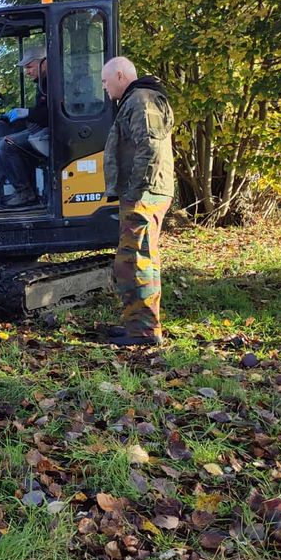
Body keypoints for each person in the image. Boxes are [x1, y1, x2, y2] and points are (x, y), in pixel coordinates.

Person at [101, 56, 175, 347]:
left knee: (134, 261)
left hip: (144, 193)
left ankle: (143, 333)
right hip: (144, 191)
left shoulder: (141, 100)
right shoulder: (137, 100)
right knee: (142, 260)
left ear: (120, 76)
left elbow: (150, 146)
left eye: (106, 81)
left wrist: (135, 189)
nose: (105, 88)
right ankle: (141, 326)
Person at [0, 48, 50, 207]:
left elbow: (50, 115)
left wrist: (27, 113)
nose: (27, 71)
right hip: (40, 129)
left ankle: (25, 191)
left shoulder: (54, 82)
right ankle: (21, 189)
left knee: (6, 145)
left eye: (29, 66)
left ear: (44, 63)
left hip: (52, 133)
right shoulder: (42, 83)